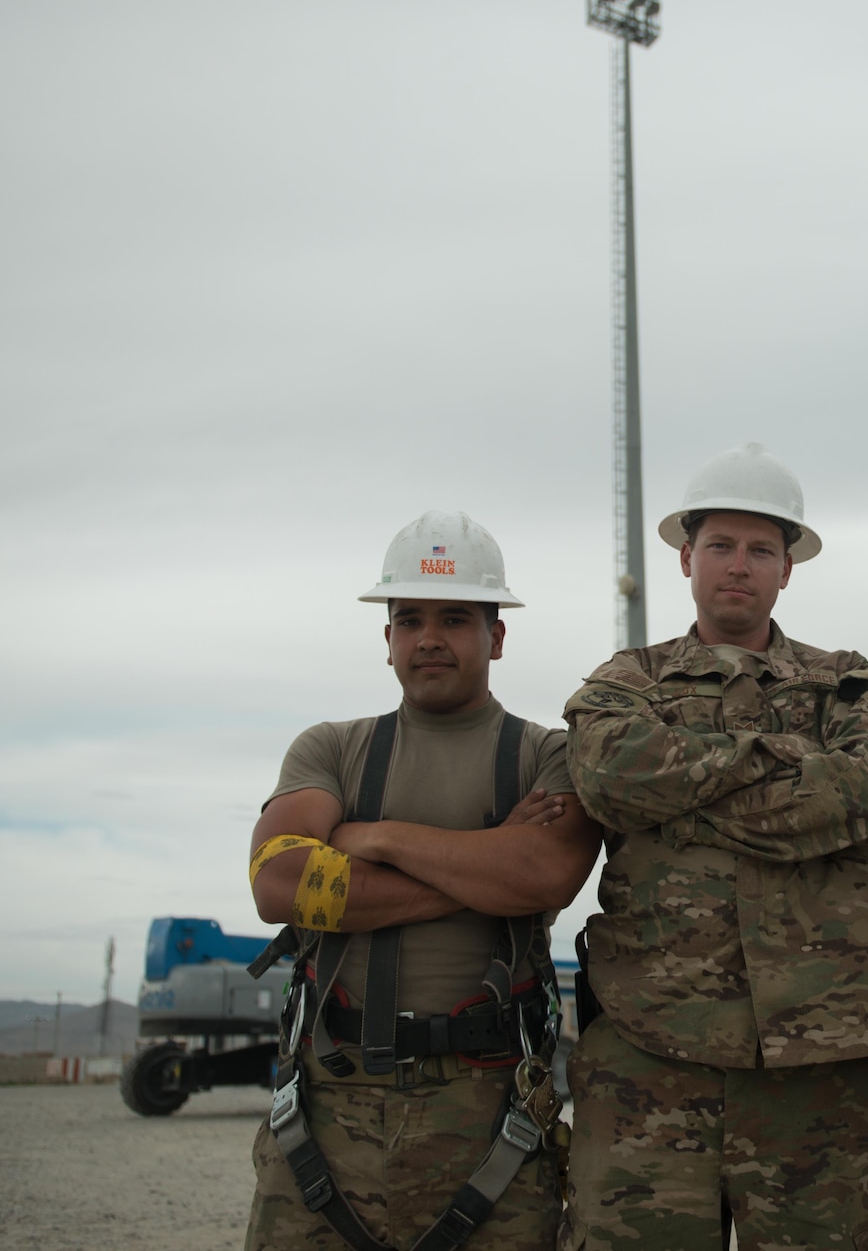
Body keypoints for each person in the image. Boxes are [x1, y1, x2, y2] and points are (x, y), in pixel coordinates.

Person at [559, 442, 868, 1250]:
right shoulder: (625, 683)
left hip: (820, 1061)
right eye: (721, 546)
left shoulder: (850, 685)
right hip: (648, 1051)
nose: (740, 565)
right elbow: (611, 777)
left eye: (762, 548)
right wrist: (796, 767)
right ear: (686, 558)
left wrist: (686, 806)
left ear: (787, 568)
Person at [244, 510, 603, 1251]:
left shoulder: (549, 757)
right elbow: (278, 880)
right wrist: (490, 855)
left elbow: (547, 874)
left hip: (489, 1113)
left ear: (496, 637)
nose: (429, 638)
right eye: (408, 619)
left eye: (454, 618)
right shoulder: (333, 749)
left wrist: (368, 839)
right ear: (387, 641)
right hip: (327, 1110)